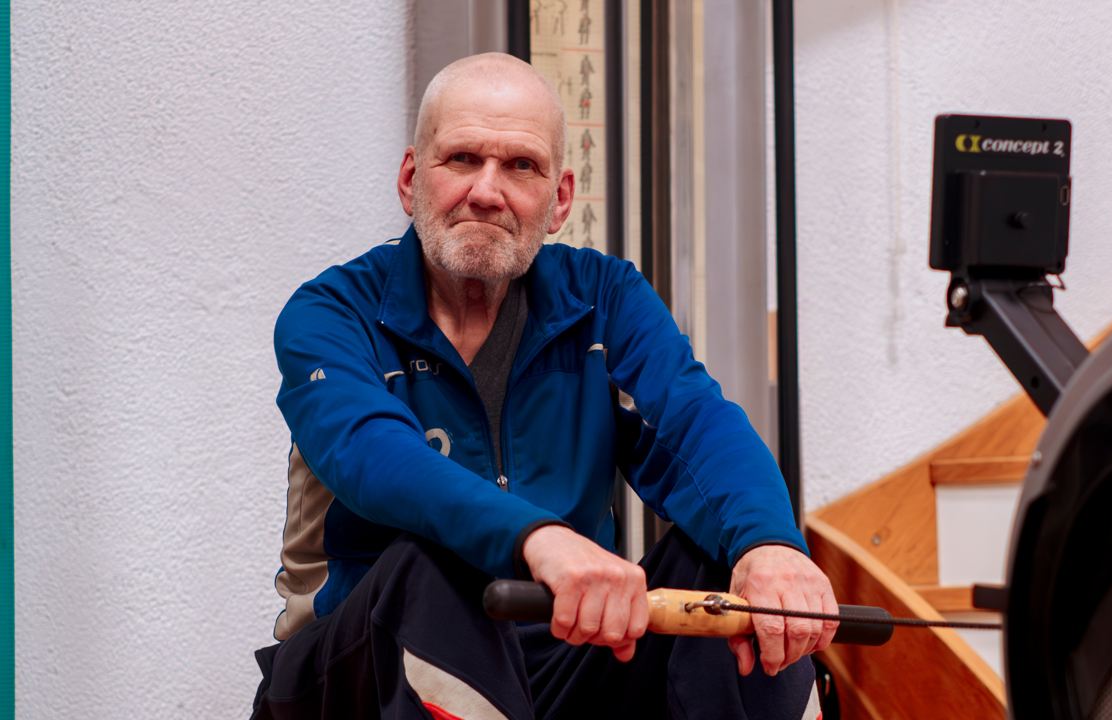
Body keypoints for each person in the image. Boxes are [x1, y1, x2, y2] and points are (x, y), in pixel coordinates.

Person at [251, 53, 837, 720]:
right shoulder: (331, 314)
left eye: (520, 166)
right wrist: (537, 538)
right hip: (352, 676)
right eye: (463, 159)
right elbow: (375, 457)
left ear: (559, 201)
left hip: (559, 667)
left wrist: (770, 545)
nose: (487, 191)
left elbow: (694, 422)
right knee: (423, 568)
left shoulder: (605, 299)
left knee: (724, 577)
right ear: (413, 178)